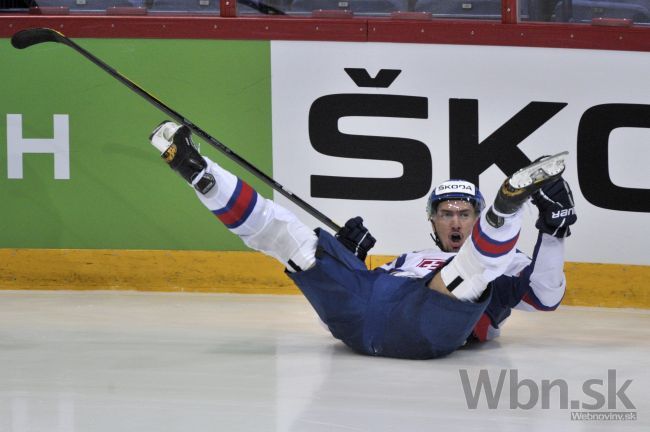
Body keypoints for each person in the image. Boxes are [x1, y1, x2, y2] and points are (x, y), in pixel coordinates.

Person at [149, 121, 577, 359]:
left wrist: (553, 235)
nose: (455, 222)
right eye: (446, 213)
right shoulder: (408, 259)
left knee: (470, 274)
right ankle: (200, 173)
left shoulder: (507, 263)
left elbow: (544, 298)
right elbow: (337, 317)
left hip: (431, 327)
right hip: (360, 320)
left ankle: (507, 207)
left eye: (465, 214)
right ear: (432, 220)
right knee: (295, 240)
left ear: (474, 219)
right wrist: (350, 263)